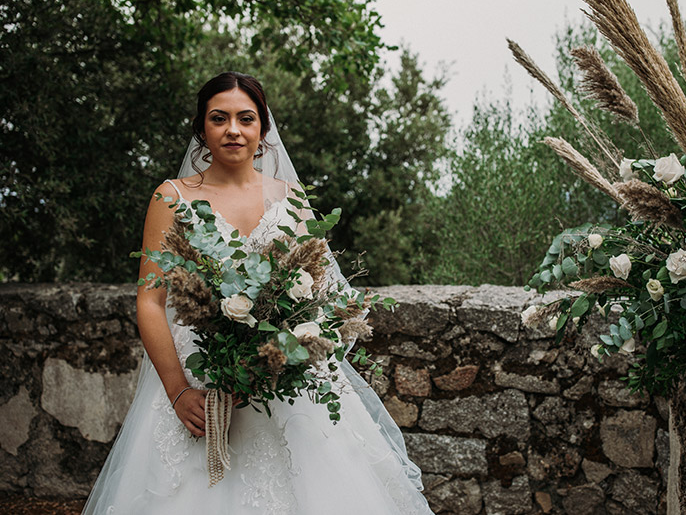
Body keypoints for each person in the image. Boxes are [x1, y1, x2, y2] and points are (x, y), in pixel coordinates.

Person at [82, 72, 434, 514]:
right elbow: (150, 302)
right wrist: (178, 391)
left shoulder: (292, 199)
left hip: (289, 386)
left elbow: (320, 297)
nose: (233, 129)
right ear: (201, 129)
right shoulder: (171, 197)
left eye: (246, 118)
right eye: (219, 118)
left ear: (262, 129)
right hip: (202, 385)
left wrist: (290, 356)